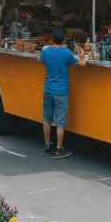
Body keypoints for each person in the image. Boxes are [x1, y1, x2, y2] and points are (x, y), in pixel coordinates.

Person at [39, 25, 86, 159]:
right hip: (61, 91)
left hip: (47, 90)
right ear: (64, 39)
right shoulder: (66, 53)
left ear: (52, 38)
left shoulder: (46, 51)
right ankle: (59, 149)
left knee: (46, 120)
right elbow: (82, 65)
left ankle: (47, 146)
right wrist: (82, 55)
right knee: (60, 123)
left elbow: (39, 60)